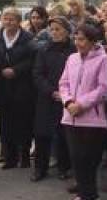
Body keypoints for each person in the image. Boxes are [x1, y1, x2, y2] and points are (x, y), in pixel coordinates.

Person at [58, 23, 107, 200]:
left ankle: (90, 195)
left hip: (92, 118)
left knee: (88, 158)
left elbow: (103, 88)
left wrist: (81, 104)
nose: (77, 43)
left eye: (81, 39)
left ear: (91, 41)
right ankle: (84, 194)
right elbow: (63, 83)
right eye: (76, 39)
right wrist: (68, 102)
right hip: (70, 116)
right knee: (76, 158)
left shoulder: (103, 59)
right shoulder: (71, 58)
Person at [0, 7, 36, 170]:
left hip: (22, 86)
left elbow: (32, 60)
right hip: (3, 86)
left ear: (19, 21)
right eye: (5, 19)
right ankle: (10, 157)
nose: (8, 22)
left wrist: (16, 70)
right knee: (5, 123)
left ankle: (24, 156)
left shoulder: (27, 38)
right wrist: (1, 68)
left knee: (23, 122)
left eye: (12, 19)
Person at [32, 17, 75, 182]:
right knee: (42, 134)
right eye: (52, 30)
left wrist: (65, 93)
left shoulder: (73, 50)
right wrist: (51, 91)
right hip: (47, 97)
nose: (54, 33)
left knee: (64, 134)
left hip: (67, 98)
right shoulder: (44, 50)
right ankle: (40, 168)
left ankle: (64, 167)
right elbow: (37, 74)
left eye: (58, 29)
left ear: (67, 31)